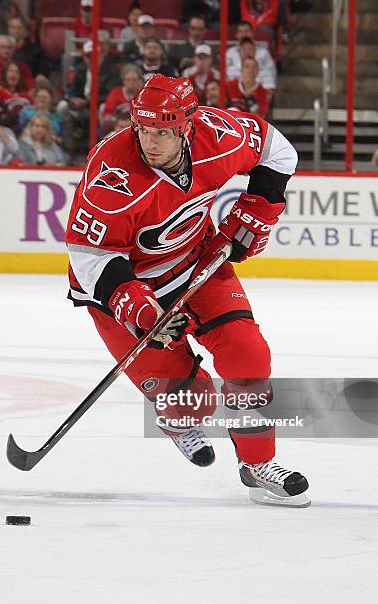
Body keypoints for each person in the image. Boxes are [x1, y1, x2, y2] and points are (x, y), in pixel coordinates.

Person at [65, 74, 310, 507]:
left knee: (248, 356)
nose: (149, 142)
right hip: (124, 289)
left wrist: (258, 209)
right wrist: (140, 310)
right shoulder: (112, 175)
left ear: (186, 126)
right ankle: (177, 420)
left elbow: (277, 149)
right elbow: (91, 257)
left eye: (161, 132)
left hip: (196, 260)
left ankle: (258, 463)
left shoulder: (219, 136)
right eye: (142, 129)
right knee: (194, 401)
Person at [226, 21, 277, 90]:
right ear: (237, 35)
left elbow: (272, 73)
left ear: (252, 33)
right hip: (234, 91)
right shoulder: (230, 52)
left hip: (260, 90)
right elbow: (224, 74)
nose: (244, 34)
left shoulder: (264, 53)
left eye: (246, 31)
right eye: (241, 32)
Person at [101, 64, 144, 133]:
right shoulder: (116, 93)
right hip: (118, 128)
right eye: (127, 80)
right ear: (123, 81)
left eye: (134, 80)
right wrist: (118, 122)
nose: (131, 83)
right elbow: (107, 115)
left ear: (139, 80)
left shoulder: (144, 95)